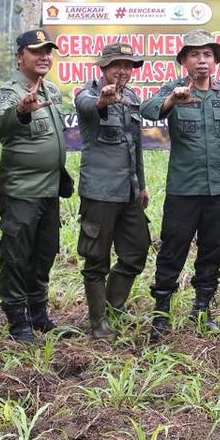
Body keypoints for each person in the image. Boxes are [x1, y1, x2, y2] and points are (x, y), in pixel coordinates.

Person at [143, 30, 220, 341]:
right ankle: (161, 312)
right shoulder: (174, 89)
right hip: (184, 188)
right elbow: (148, 110)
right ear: (183, 61)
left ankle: (203, 307)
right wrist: (171, 99)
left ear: (215, 60)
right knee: (172, 249)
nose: (201, 60)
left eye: (207, 55)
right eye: (194, 55)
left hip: (219, 188)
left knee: (213, 249)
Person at [0, 29, 68, 344]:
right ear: (20, 56)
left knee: (44, 253)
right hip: (21, 190)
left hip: (49, 190)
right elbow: (1, 124)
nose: (44, 56)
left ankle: (39, 313)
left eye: (48, 51)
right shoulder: (9, 93)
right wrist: (21, 111)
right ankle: (17, 321)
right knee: (17, 255)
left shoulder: (52, 90)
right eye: (37, 51)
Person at [74, 42, 151, 339]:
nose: (123, 70)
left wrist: (141, 184)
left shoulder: (132, 97)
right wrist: (105, 99)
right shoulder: (87, 94)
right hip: (100, 193)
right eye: (117, 64)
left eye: (129, 65)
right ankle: (97, 321)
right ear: (103, 67)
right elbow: (90, 106)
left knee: (136, 251)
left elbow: (136, 146)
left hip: (129, 191)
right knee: (96, 259)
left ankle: (113, 304)